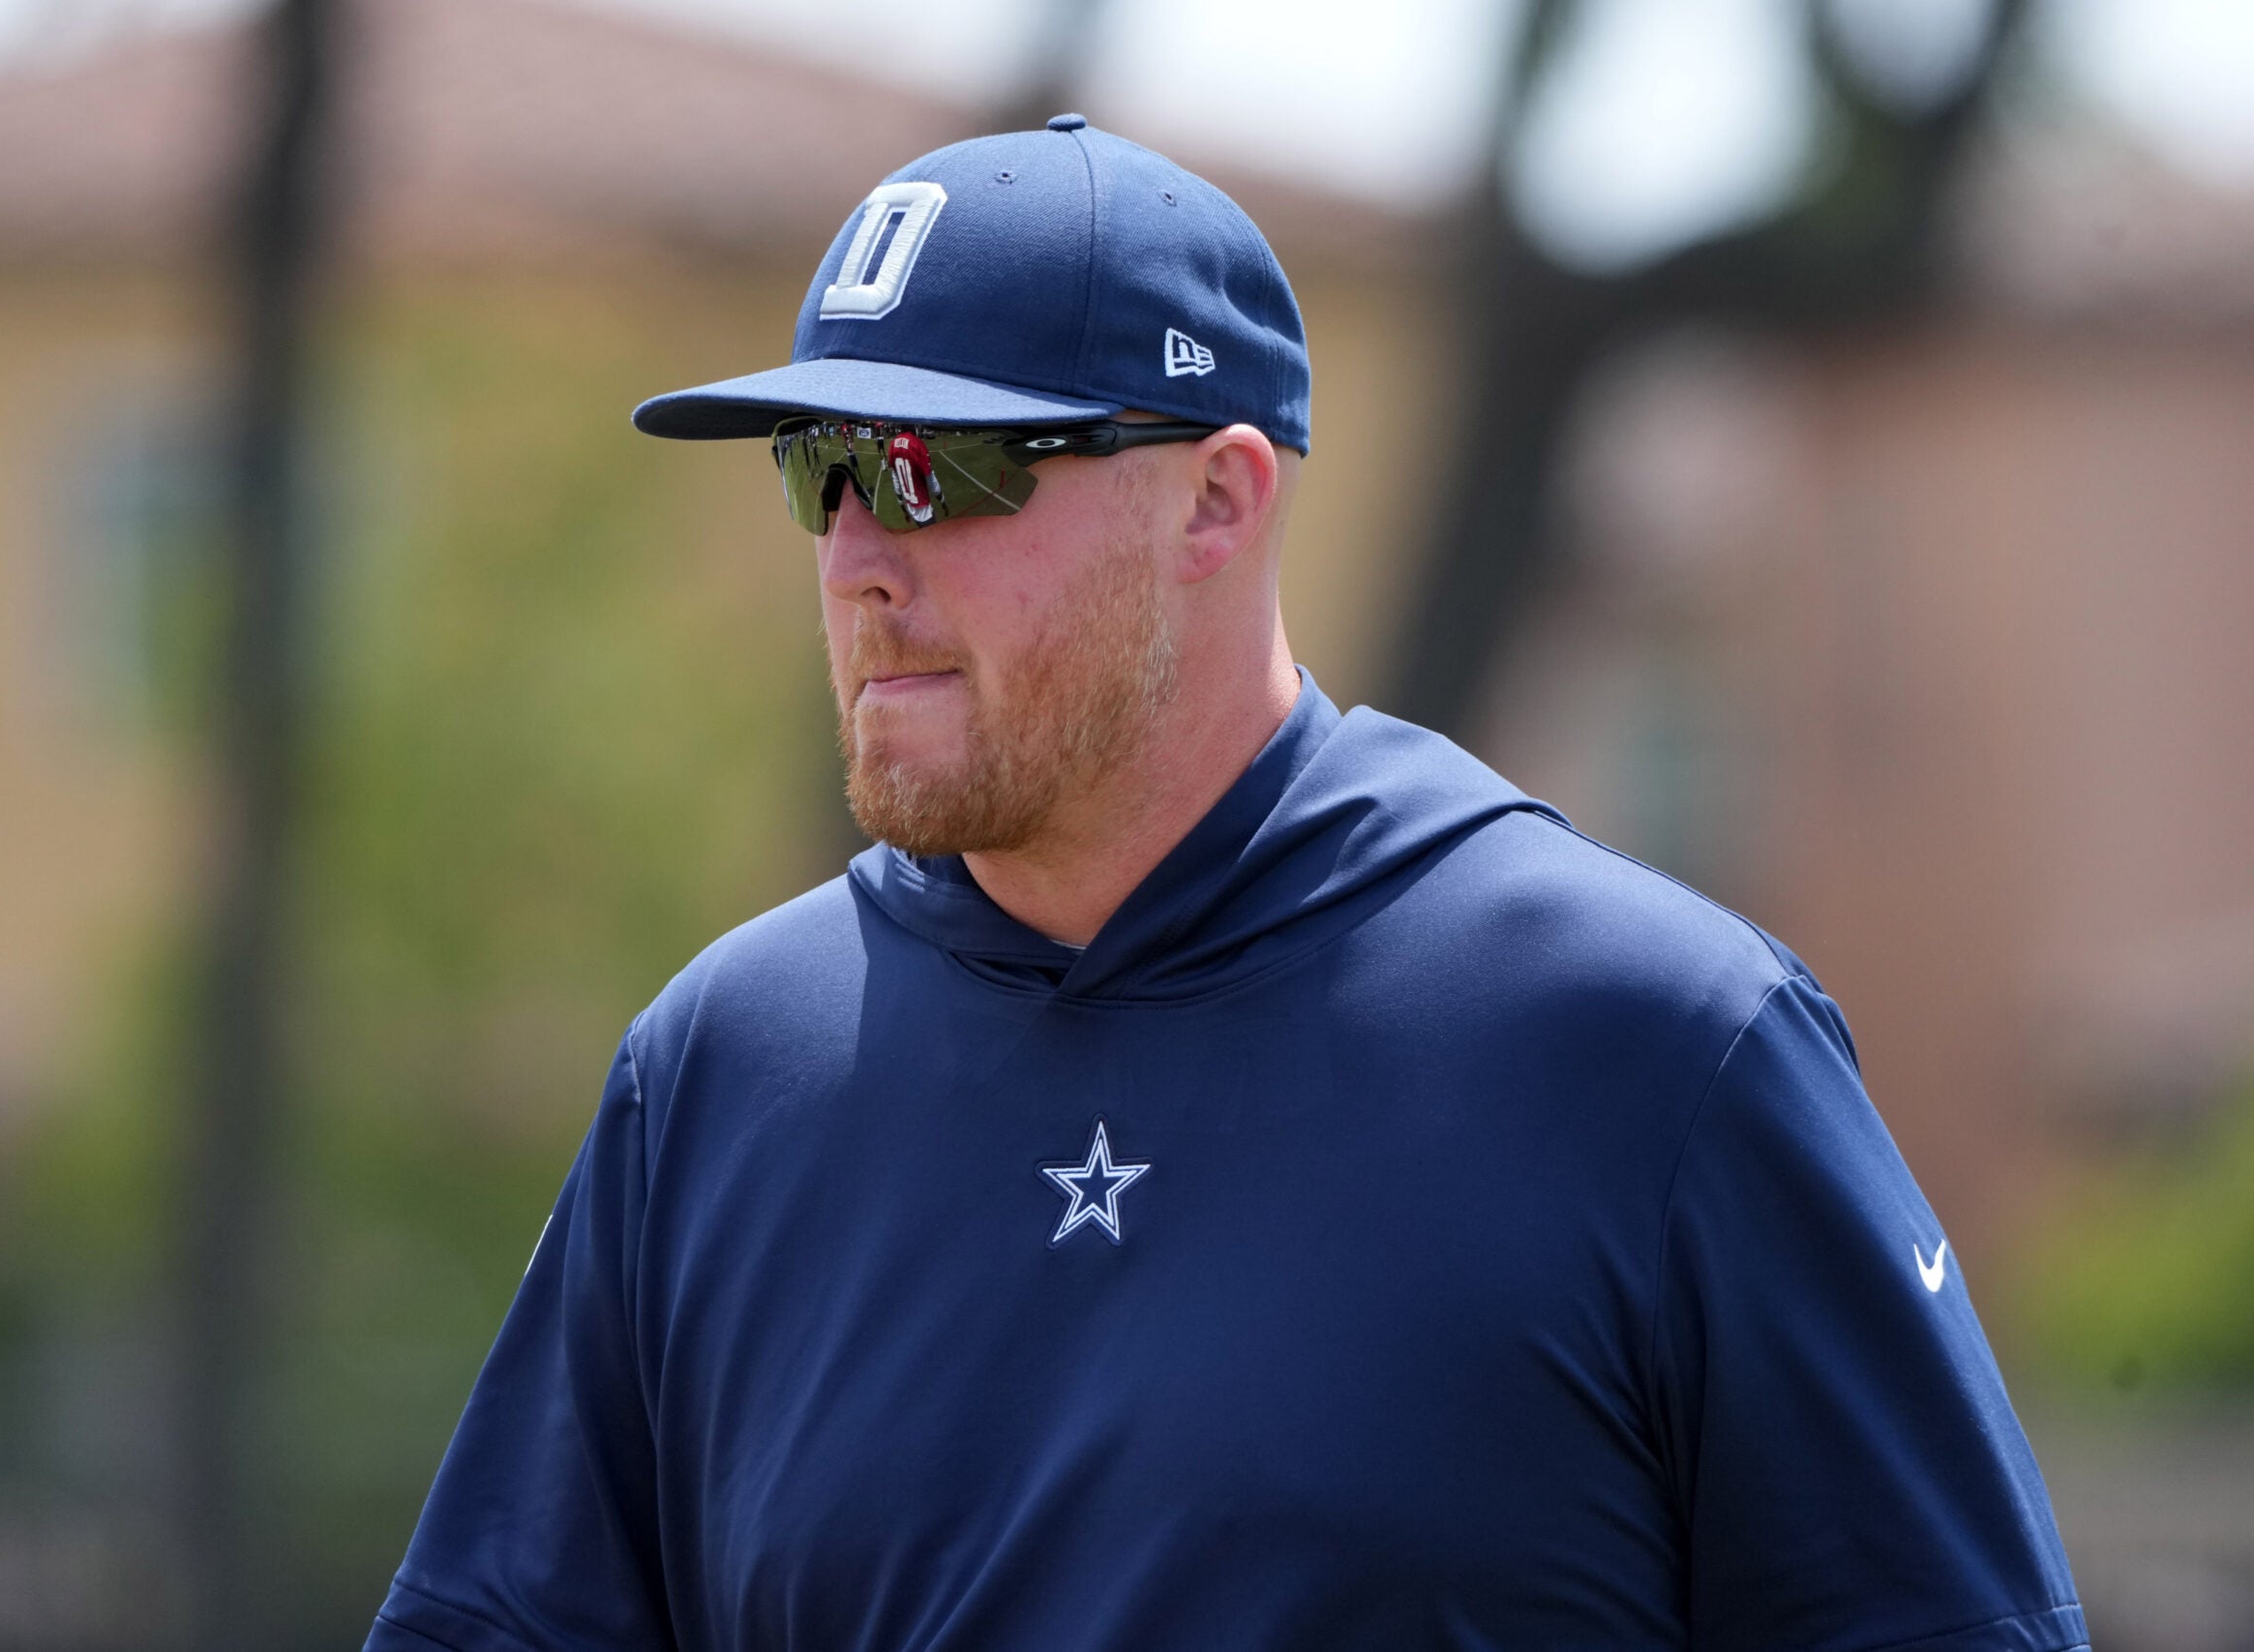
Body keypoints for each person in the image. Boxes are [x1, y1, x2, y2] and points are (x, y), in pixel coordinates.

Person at [363, 116, 2087, 1652]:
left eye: (932, 471)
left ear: (1216, 497)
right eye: (819, 469)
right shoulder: (722, 1073)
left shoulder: (1656, 1046)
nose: (858, 562)